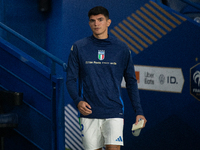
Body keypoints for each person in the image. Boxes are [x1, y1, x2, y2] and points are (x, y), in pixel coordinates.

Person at [66, 6, 147, 150]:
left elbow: (131, 82)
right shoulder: (79, 47)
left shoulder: (122, 48)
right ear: (89, 23)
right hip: (89, 112)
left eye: (100, 20)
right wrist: (78, 101)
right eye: (92, 21)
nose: (96, 24)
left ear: (108, 22)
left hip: (114, 111)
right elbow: (70, 79)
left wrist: (139, 111)